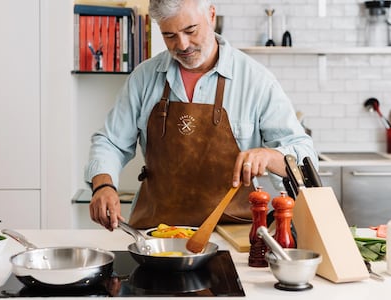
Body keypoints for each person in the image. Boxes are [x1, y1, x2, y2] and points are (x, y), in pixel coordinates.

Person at [85, 0, 318, 230]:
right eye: (170, 35)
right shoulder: (144, 78)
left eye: (190, 30)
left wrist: (269, 156)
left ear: (212, 15)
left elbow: (304, 153)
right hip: (158, 233)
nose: (183, 44)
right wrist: (103, 185)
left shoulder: (256, 80)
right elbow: (110, 142)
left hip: (234, 234)